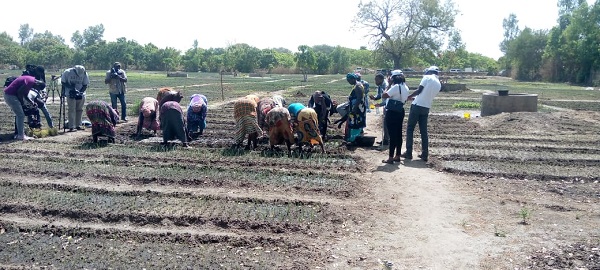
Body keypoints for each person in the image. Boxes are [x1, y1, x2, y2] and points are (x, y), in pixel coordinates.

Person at [402, 66, 442, 162]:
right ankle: (425, 154)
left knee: (410, 129)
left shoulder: (427, 78)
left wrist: (409, 96)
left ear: (429, 71)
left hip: (417, 106)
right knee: (423, 131)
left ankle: (408, 152)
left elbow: (419, 91)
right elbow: (426, 95)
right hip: (426, 107)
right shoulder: (438, 84)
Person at [4, 75, 45, 140]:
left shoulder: (31, 80)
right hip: (11, 95)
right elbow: (19, 93)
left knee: (20, 115)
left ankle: (19, 134)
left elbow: (25, 94)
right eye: (38, 88)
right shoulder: (30, 82)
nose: (36, 89)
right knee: (20, 115)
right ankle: (20, 135)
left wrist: (31, 102)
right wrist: (22, 104)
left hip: (10, 95)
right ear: (37, 84)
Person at [381, 70, 409, 164]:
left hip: (392, 112)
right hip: (400, 111)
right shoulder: (405, 87)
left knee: (392, 135)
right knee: (398, 134)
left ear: (393, 78)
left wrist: (388, 85)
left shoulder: (395, 87)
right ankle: (397, 156)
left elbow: (384, 95)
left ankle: (390, 158)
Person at [61, 65, 89, 132]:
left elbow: (85, 85)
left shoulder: (84, 73)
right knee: (71, 109)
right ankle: (71, 126)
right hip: (70, 94)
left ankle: (78, 125)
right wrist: (71, 88)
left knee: (79, 109)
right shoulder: (67, 72)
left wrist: (80, 92)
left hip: (81, 94)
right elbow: (63, 82)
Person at [345, 73, 366, 144]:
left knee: (355, 123)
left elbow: (359, 98)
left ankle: (354, 139)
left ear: (353, 79)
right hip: (355, 107)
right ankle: (354, 138)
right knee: (354, 122)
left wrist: (354, 108)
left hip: (357, 109)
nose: (348, 81)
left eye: (349, 80)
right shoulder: (356, 85)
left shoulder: (358, 86)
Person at [370, 73, 390, 146]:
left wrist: (380, 104)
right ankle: (386, 139)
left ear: (381, 79)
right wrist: (374, 98)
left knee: (387, 123)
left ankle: (387, 140)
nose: (375, 82)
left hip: (388, 105)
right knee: (385, 123)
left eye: (377, 80)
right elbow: (379, 95)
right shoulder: (380, 86)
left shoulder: (386, 85)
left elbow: (387, 99)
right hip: (385, 105)